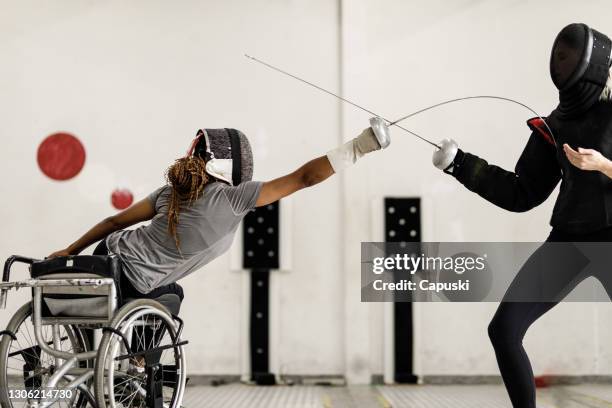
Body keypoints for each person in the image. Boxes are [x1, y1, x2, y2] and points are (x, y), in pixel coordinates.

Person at [432, 23, 612, 408]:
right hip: (570, 240)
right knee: (504, 330)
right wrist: (461, 165)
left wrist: (604, 166)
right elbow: (522, 192)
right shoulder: (557, 122)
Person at [49, 122, 390, 305]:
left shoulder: (169, 192)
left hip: (105, 256)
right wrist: (361, 145)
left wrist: (70, 251)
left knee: (108, 315)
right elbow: (305, 178)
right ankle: (137, 367)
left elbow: (113, 223)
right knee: (174, 296)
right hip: (136, 284)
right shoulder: (235, 199)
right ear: (233, 166)